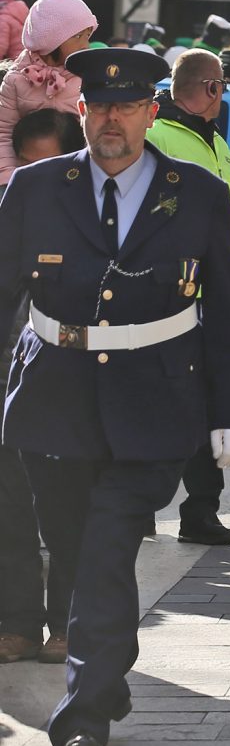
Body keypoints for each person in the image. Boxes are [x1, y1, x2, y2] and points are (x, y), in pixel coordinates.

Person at [0, 47, 230, 746]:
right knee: (80, 552)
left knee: (109, 549)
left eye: (128, 105)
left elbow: (227, 316)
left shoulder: (198, 191)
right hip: (54, 398)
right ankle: (106, 675)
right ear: (82, 111)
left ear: (152, 111)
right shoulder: (38, 189)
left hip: (155, 397)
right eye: (100, 106)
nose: (112, 119)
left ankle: (81, 716)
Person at [144, 48, 230, 546]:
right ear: (213, 88)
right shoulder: (157, 136)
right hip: (168, 292)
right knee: (160, 396)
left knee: (209, 397)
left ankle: (200, 508)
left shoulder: (214, 141)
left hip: (215, 288)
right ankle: (148, 504)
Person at [0, 108, 84, 666]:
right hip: (12, 387)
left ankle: (68, 625)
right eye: (26, 164)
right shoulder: (14, 212)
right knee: (10, 510)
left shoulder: (100, 223)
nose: (36, 175)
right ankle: (20, 625)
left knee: (68, 513)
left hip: (72, 389)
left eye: (49, 162)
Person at [0, 0, 97, 184]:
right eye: (78, 37)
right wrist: (7, 179)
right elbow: (4, 133)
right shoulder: (17, 79)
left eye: (88, 36)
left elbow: (94, 134)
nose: (86, 46)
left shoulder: (88, 79)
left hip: (74, 179)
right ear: (51, 39)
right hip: (28, 178)